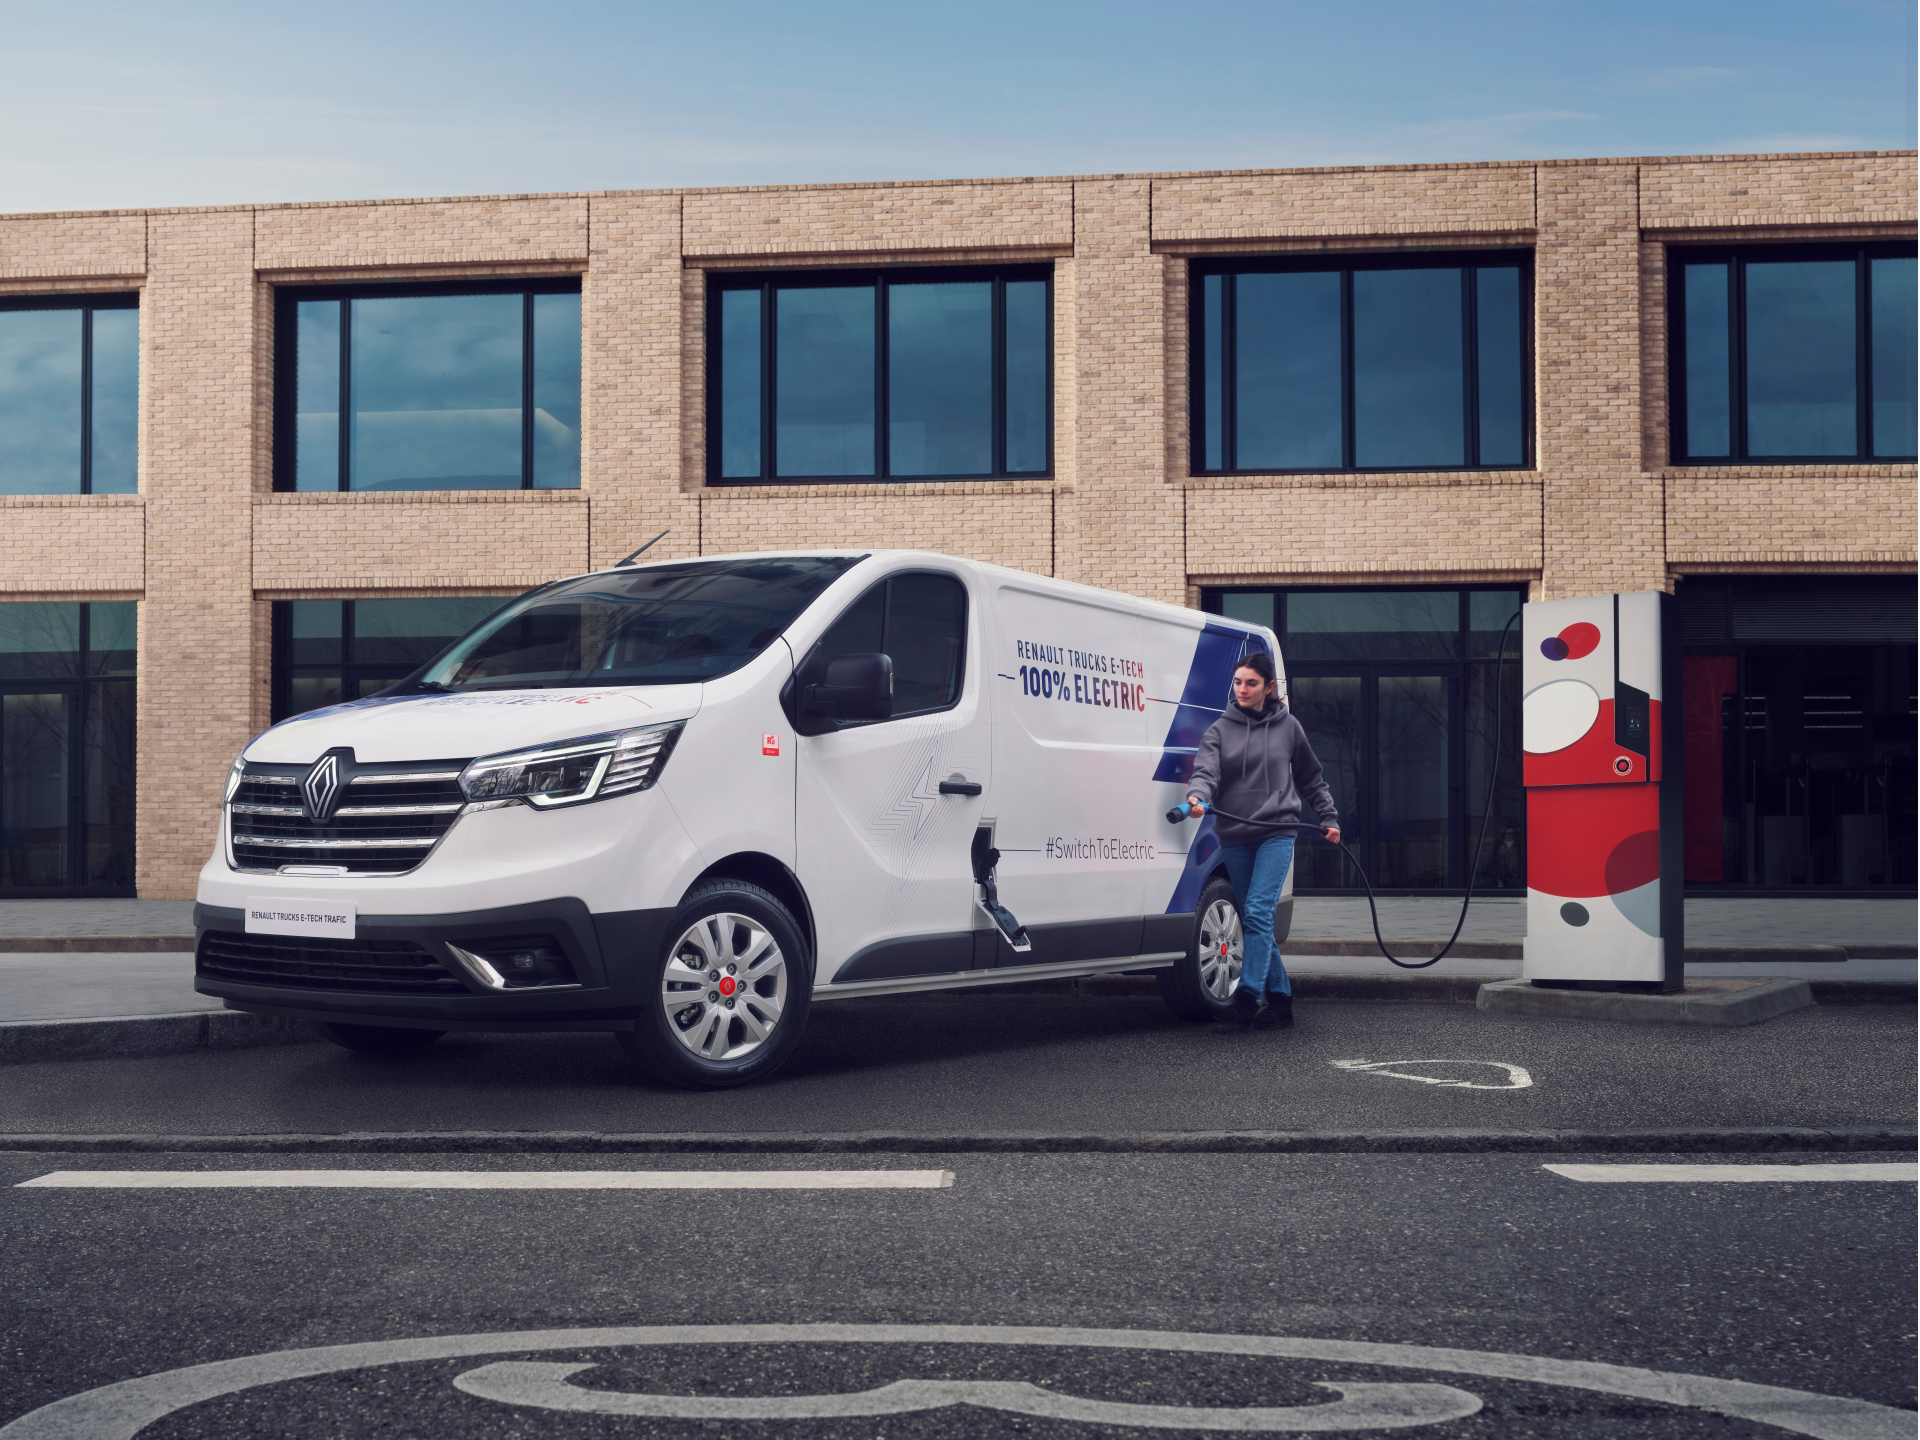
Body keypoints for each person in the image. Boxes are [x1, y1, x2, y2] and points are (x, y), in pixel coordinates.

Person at [1184, 652, 1340, 1027]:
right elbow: (1206, 771)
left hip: (1277, 832)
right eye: (1237, 682)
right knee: (1256, 921)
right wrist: (1197, 797)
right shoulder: (1219, 730)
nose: (1242, 689)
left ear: (1269, 688)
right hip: (1236, 836)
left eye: (1251, 683)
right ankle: (1281, 999)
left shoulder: (1289, 728)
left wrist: (1328, 816)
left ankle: (1249, 995)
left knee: (1255, 913)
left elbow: (1310, 778)